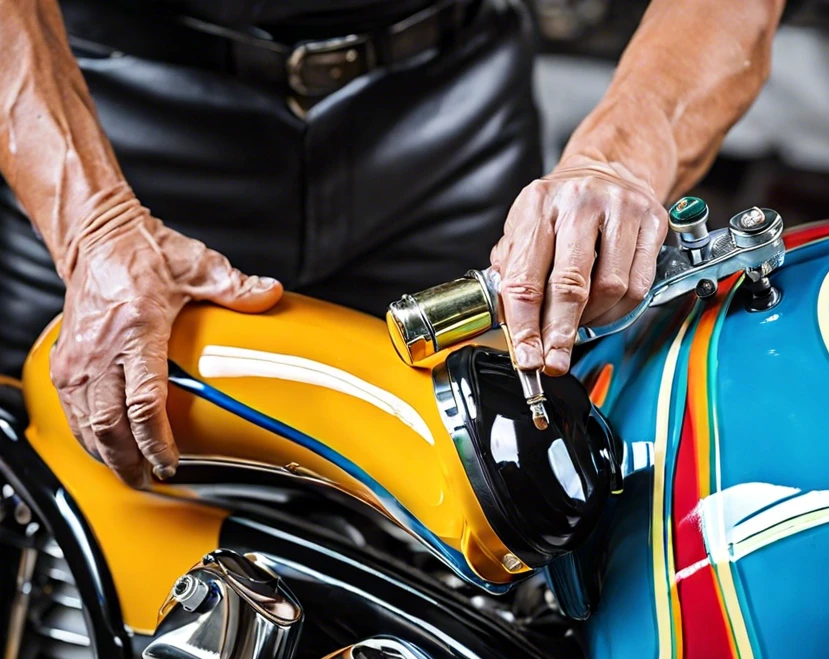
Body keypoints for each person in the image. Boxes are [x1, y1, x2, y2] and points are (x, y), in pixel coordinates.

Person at [0, 0, 784, 487]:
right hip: (107, 121)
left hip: (447, 115)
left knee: (510, 503)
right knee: (55, 498)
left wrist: (618, 161)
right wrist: (92, 226)